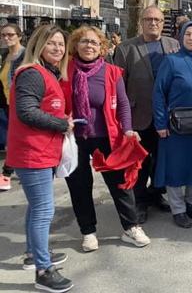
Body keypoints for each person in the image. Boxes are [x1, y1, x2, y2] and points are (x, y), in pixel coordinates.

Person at [61, 25, 150, 252]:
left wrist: (128, 129)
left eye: (94, 42)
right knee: (79, 185)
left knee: (119, 183)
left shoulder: (111, 71)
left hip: (106, 136)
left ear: (102, 47)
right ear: (75, 46)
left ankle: (131, 227)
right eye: (84, 41)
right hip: (74, 137)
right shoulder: (65, 70)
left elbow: (123, 104)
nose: (89, 46)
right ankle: (88, 232)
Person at [7, 25, 73, 292]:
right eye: (51, 43)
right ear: (38, 45)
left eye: (61, 44)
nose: (58, 48)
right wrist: (61, 124)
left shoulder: (46, 72)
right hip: (32, 153)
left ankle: (33, 255)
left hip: (39, 151)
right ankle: (43, 271)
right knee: (44, 210)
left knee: (37, 208)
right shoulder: (33, 73)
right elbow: (26, 112)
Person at [114, 6, 179, 223]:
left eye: (158, 20)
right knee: (140, 162)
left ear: (163, 23)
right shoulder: (125, 48)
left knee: (161, 160)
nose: (154, 23)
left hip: (166, 115)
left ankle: (155, 194)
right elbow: (119, 84)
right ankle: (140, 202)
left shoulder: (173, 45)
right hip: (138, 114)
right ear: (142, 22)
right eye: (149, 19)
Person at [153, 21, 192, 229]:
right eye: (187, 34)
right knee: (175, 168)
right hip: (175, 126)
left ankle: (190, 203)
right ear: (181, 37)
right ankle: (177, 209)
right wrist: (161, 123)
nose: (191, 38)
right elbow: (159, 93)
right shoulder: (171, 61)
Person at [0, 23, 25, 190]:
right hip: (8, 105)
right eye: (3, 35)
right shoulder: (4, 56)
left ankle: (6, 173)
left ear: (19, 36)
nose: (6, 38)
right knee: (18, 140)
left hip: (23, 105)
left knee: (14, 139)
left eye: (10, 35)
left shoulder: (26, 55)